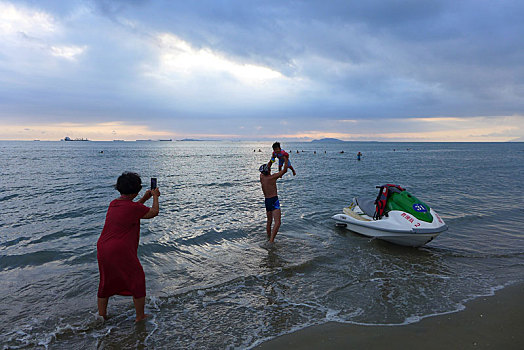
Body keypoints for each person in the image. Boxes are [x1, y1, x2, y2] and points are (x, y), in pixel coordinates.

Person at [97, 172, 160, 322]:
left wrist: (145, 198)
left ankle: (101, 316)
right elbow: (153, 212)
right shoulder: (133, 208)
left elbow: (132, 207)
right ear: (136, 190)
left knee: (106, 281)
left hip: (103, 247)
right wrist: (156, 196)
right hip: (120, 249)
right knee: (137, 278)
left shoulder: (114, 203)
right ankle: (140, 316)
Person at [259, 161, 288, 243]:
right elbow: (284, 170)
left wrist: (272, 159)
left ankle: (268, 237)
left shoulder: (262, 177)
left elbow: (268, 166)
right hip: (274, 200)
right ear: (268, 170)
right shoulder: (272, 177)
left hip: (267, 201)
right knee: (278, 222)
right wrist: (286, 160)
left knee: (269, 221)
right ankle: (271, 241)